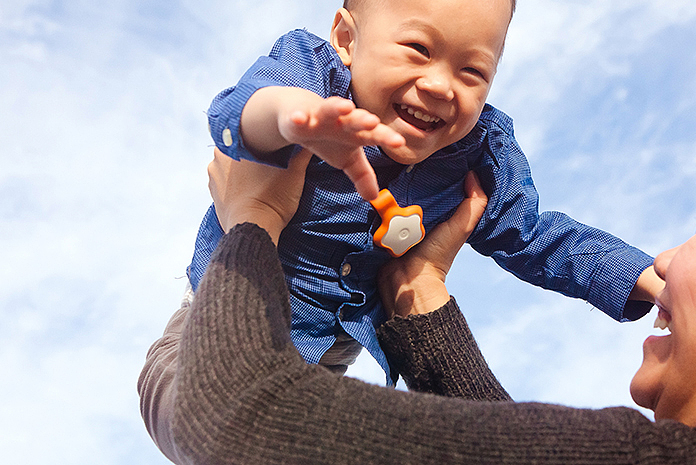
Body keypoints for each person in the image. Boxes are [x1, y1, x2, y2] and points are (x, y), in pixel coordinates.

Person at [139, 82, 696, 464]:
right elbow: (507, 447)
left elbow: (231, 417)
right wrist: (421, 302)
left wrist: (252, 217)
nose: (669, 257)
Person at [187, 0, 661, 383]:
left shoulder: (478, 150)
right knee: (221, 415)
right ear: (348, 40)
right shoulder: (311, 74)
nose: (440, 85)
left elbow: (533, 236)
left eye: (473, 72)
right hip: (211, 325)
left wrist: (645, 278)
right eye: (417, 47)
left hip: (328, 363)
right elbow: (238, 112)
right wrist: (289, 118)